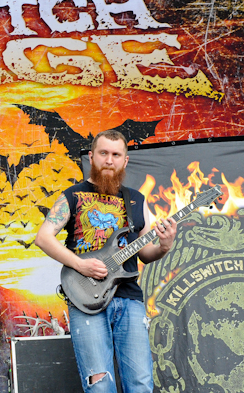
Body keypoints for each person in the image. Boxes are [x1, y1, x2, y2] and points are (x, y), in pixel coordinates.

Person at [34, 129, 177, 392]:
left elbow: (146, 252)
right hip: (86, 297)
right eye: (103, 153)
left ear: (125, 161)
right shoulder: (72, 196)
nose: (109, 160)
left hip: (129, 298)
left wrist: (164, 246)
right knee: (99, 387)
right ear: (91, 157)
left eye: (116, 155)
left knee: (141, 383)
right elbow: (43, 237)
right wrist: (80, 264)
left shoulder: (135, 199)